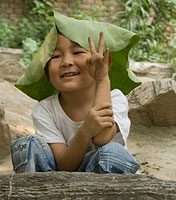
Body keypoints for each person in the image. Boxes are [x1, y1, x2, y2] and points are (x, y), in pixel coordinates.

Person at [11, 11, 141, 174]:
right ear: (47, 73)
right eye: (56, 56)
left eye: (78, 52)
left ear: (104, 63)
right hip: (59, 180)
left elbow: (101, 138)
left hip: (104, 177)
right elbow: (65, 166)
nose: (66, 62)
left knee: (112, 152)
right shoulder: (45, 110)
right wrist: (85, 131)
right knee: (26, 145)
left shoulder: (115, 98)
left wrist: (102, 79)